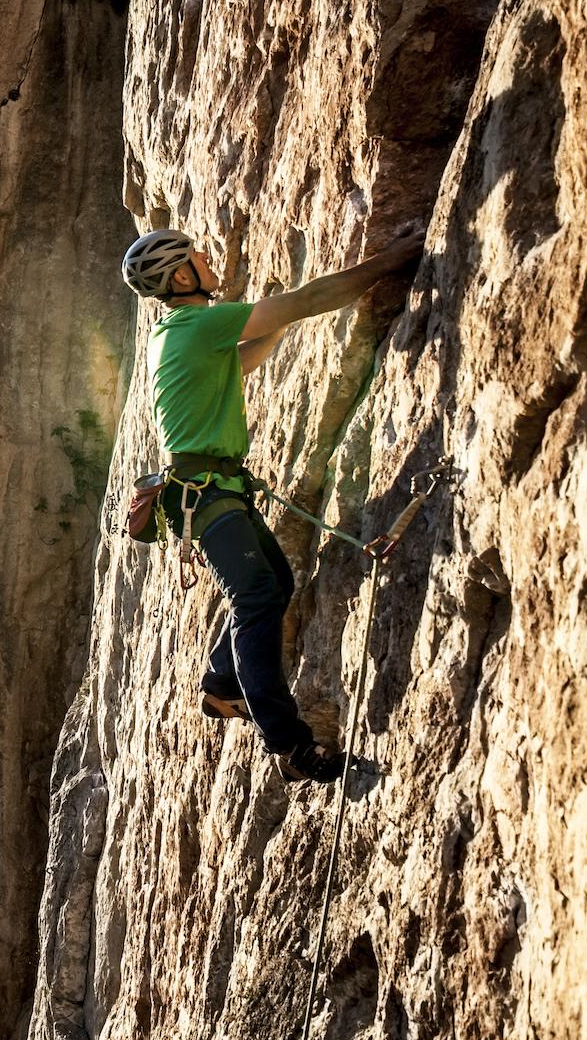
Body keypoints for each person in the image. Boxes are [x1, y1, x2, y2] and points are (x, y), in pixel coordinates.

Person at [120, 225, 424, 783]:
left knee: (273, 586)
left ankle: (220, 685)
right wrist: (389, 260)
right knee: (256, 596)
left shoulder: (176, 333)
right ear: (182, 276)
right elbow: (308, 300)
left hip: (212, 490)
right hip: (209, 493)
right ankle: (290, 748)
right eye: (197, 257)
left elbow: (238, 364)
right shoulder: (198, 324)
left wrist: (277, 322)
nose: (209, 259)